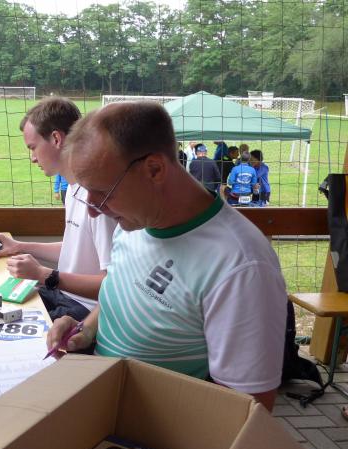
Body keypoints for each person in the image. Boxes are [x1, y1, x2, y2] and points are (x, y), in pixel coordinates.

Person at [47, 101, 287, 412]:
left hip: (156, 431)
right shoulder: (134, 221)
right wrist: (85, 329)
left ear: (155, 169)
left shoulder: (241, 265)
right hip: (104, 401)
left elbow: (249, 410)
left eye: (103, 192)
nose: (93, 211)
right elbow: (119, 291)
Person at [0, 96, 117, 323]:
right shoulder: (73, 189)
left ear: (56, 139)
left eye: (33, 147)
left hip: (86, 312)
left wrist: (44, 275)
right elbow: (77, 249)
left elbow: (113, 286)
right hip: (62, 296)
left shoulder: (98, 199)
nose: (33, 158)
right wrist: (19, 246)